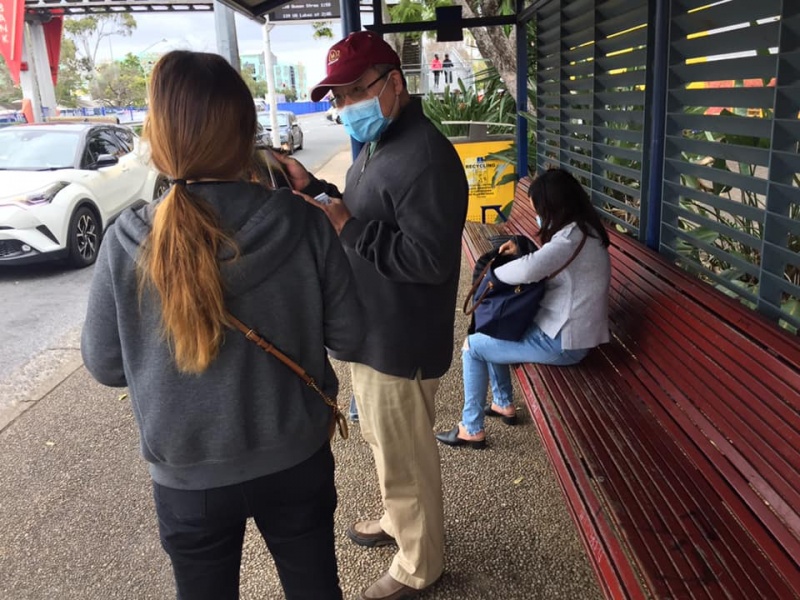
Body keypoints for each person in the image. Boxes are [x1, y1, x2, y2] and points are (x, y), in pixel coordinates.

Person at [80, 50, 364, 600]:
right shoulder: (301, 223)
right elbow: (351, 338)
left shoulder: (126, 239)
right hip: (295, 458)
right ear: (245, 133)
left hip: (188, 480)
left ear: (159, 137)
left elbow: (107, 365)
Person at [273, 31, 468, 600]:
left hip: (400, 336)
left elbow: (430, 259)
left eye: (356, 90)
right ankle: (399, 518)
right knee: (383, 441)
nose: (345, 104)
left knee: (405, 455)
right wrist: (317, 188)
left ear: (394, 83)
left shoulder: (425, 157)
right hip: (372, 328)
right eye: (338, 96)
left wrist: (348, 229)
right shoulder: (383, 143)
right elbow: (364, 211)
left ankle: (420, 564)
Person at [436, 168, 611, 448]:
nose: (538, 217)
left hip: (564, 342)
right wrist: (521, 251)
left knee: (472, 346)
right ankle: (503, 403)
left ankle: (470, 428)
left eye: (538, 211)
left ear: (554, 207)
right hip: (572, 334)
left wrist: (491, 276)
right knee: (495, 329)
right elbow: (545, 261)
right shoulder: (584, 231)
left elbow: (529, 270)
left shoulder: (569, 239)